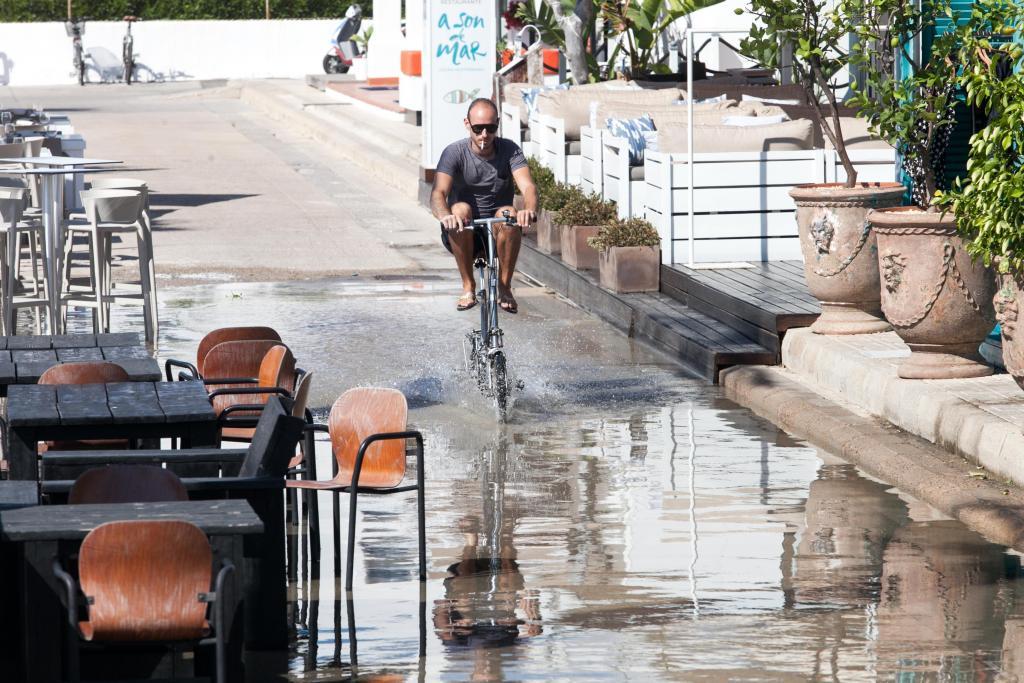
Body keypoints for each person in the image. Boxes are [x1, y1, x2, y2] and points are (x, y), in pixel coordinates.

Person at [431, 97, 538, 313]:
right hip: (463, 229)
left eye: (491, 128)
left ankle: (504, 286)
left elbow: (528, 187)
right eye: (478, 128)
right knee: (460, 209)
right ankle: (468, 285)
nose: (484, 135)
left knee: (508, 213)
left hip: (498, 230)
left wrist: (529, 209)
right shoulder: (454, 152)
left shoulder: (509, 150)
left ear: (498, 124)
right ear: (467, 124)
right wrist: (445, 216)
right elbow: (438, 193)